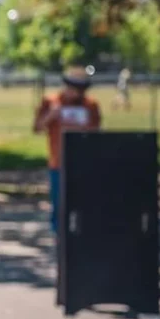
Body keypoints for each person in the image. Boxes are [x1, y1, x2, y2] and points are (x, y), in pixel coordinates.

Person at [33, 65, 102, 234]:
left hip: (84, 162)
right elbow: (37, 127)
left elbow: (97, 131)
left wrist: (87, 128)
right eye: (74, 89)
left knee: (83, 202)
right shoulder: (51, 102)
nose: (77, 94)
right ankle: (59, 235)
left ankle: (83, 233)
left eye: (81, 90)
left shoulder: (90, 105)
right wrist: (51, 116)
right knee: (59, 202)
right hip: (59, 162)